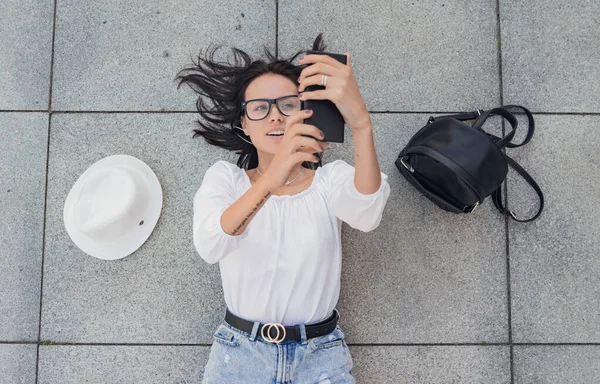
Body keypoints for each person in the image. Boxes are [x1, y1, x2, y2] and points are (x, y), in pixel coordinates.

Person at [176, 34, 391, 383]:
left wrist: (361, 123)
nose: (275, 117)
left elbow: (367, 212)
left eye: (287, 105)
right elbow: (211, 243)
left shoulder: (328, 181)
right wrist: (272, 178)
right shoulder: (226, 179)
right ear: (244, 124)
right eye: (260, 108)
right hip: (240, 355)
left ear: (306, 113)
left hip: (319, 356)